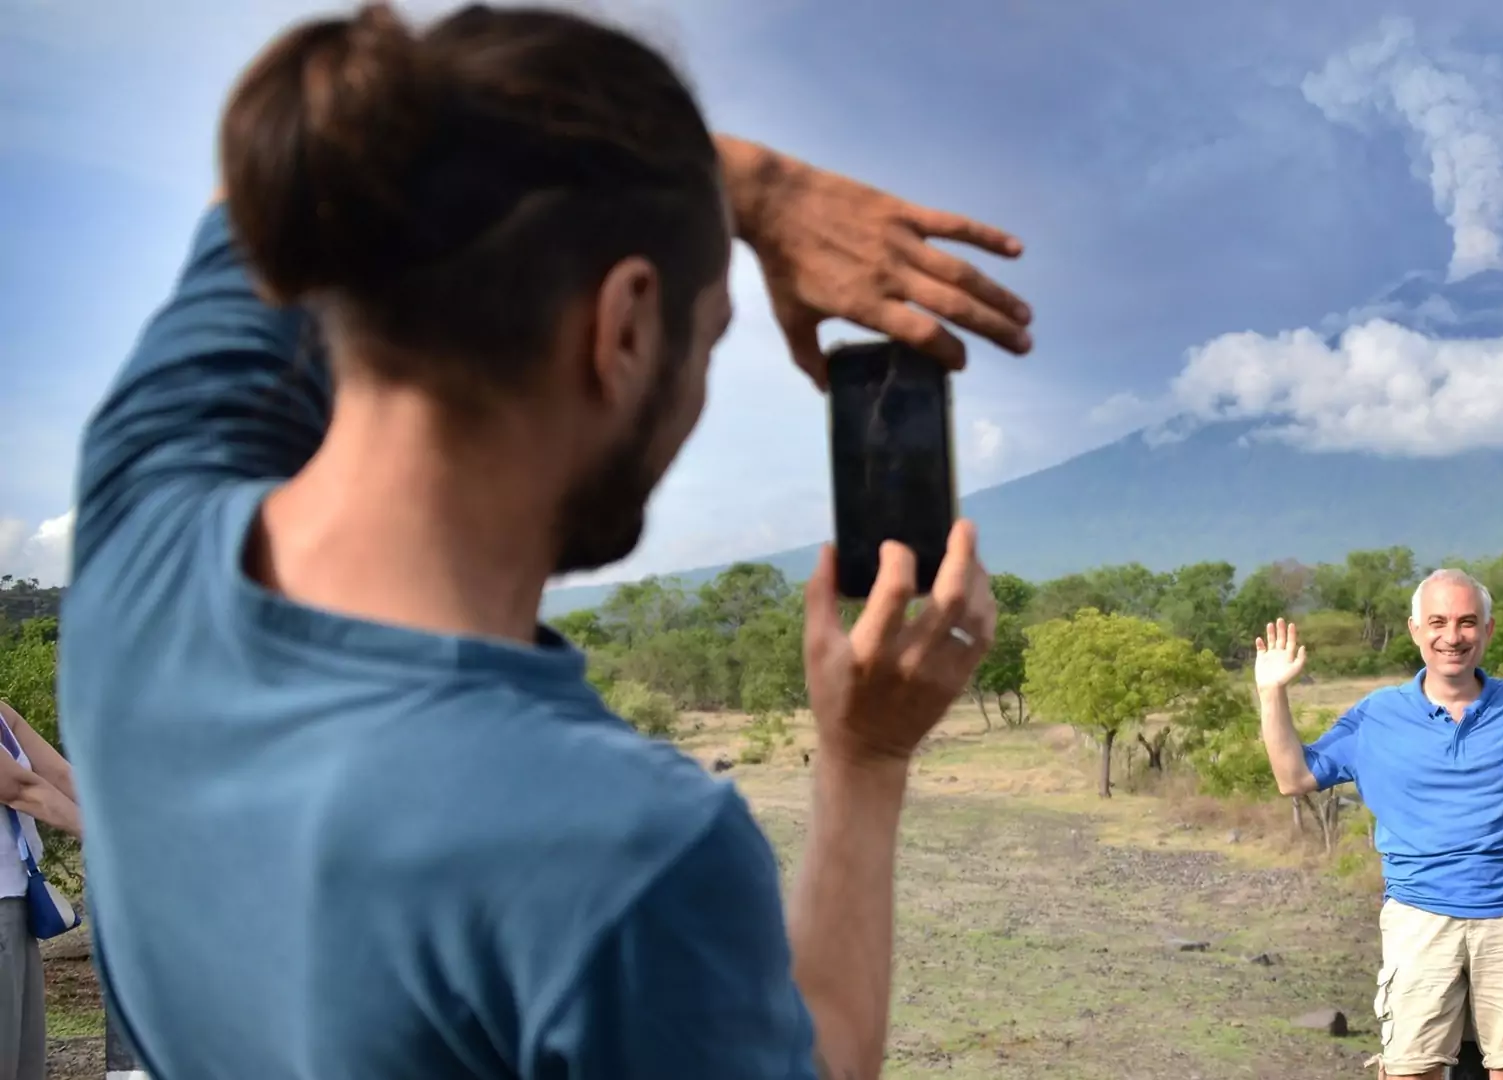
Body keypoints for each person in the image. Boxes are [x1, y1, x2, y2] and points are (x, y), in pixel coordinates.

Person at [56, 4, 1030, 1078]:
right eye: (707, 338)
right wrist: (868, 757)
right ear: (622, 327)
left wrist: (735, 188)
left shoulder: (139, 524)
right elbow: (829, 1058)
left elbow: (267, 198)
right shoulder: (625, 856)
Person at [1254, 569, 1503, 1080]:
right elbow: (1294, 775)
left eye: (1466, 622)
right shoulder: (1377, 716)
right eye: (1437, 622)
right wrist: (1272, 692)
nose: (1451, 636)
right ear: (1415, 629)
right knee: (1411, 1070)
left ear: (1488, 630)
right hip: (1419, 917)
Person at [0, 700, 81, 1080]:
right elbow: (21, 789)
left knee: (23, 1062)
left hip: (15, 903)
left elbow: (62, 776)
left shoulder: (3, 714)